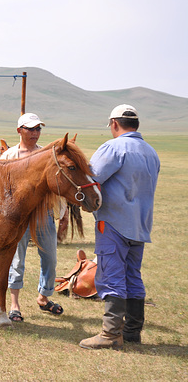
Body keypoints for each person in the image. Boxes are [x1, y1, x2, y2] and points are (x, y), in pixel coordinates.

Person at [79, 104, 160, 350]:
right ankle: (133, 331)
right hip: (140, 225)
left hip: (113, 222)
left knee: (112, 275)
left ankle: (111, 334)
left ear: (114, 124)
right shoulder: (151, 152)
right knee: (132, 275)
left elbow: (90, 181)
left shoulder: (114, 147)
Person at [0, 112, 65, 322]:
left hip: (43, 214)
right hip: (17, 216)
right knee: (16, 260)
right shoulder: (8, 156)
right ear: (19, 130)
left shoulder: (46, 155)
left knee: (51, 258)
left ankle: (43, 297)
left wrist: (61, 213)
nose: (35, 133)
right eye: (30, 129)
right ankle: (14, 305)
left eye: (38, 129)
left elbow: (56, 185)